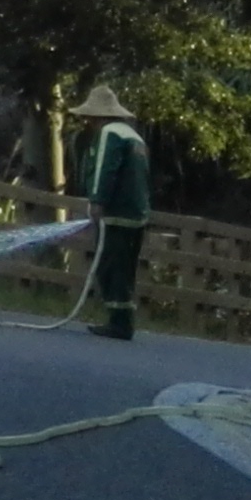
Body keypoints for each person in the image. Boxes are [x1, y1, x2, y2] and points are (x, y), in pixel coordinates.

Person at [75, 84, 151, 340]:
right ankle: (123, 320)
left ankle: (119, 323)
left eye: (89, 117)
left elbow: (104, 169)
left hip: (116, 213)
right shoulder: (134, 136)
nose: (87, 122)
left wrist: (97, 200)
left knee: (109, 267)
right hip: (136, 214)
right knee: (124, 269)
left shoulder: (109, 133)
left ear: (97, 116)